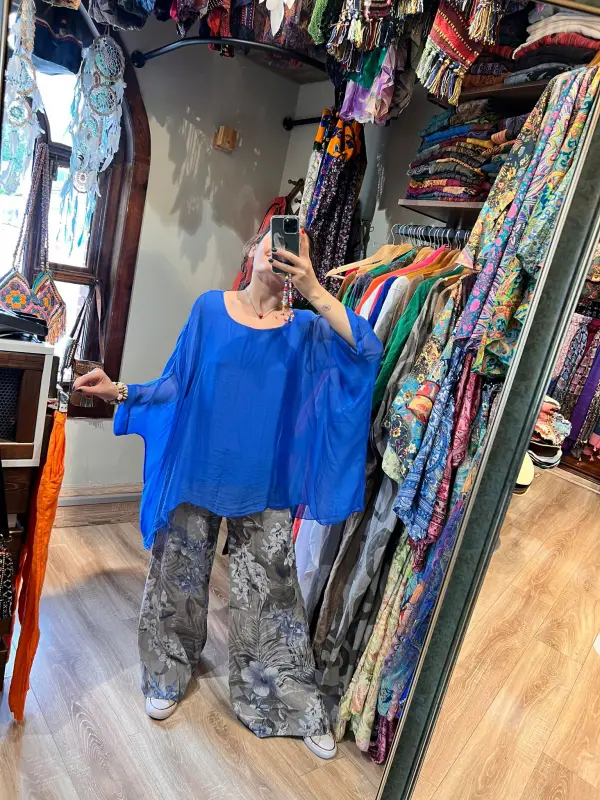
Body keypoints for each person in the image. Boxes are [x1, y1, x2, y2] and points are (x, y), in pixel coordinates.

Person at [74, 229, 382, 759]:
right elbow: (177, 384)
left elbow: (367, 350)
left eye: (295, 247)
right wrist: (120, 390)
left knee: (272, 596)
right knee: (177, 576)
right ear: (253, 250)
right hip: (198, 469)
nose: (279, 250)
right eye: (272, 241)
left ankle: (287, 700)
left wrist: (313, 289)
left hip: (263, 483)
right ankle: (167, 671)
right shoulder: (209, 310)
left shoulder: (305, 328)